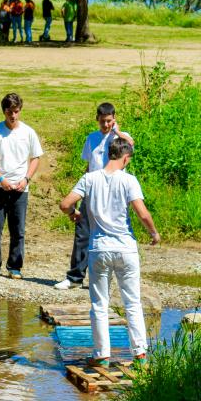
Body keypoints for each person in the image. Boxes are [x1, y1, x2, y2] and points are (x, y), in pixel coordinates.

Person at [60, 138, 160, 366]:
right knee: (132, 302)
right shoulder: (129, 180)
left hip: (99, 248)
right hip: (125, 248)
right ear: (125, 158)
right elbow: (142, 213)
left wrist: (74, 213)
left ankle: (102, 355)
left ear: (109, 155)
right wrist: (154, 233)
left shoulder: (89, 178)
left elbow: (65, 204)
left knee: (99, 304)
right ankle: (140, 354)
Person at [55, 102, 134, 290]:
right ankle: (75, 277)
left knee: (109, 234)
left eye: (109, 121)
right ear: (97, 119)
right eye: (102, 121)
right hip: (92, 189)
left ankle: (102, 279)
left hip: (113, 193)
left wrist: (117, 131)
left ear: (114, 119)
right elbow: (89, 165)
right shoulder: (91, 138)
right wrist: (82, 192)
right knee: (82, 233)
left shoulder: (121, 138)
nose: (105, 125)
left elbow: (131, 145)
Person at [0, 93, 44, 280]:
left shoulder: (28, 132)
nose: (13, 115)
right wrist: (0, 179)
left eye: (16, 111)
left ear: (20, 110)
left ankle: (15, 266)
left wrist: (26, 179)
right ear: (4, 111)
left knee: (18, 229)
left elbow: (35, 158)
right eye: (9, 112)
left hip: (20, 187)